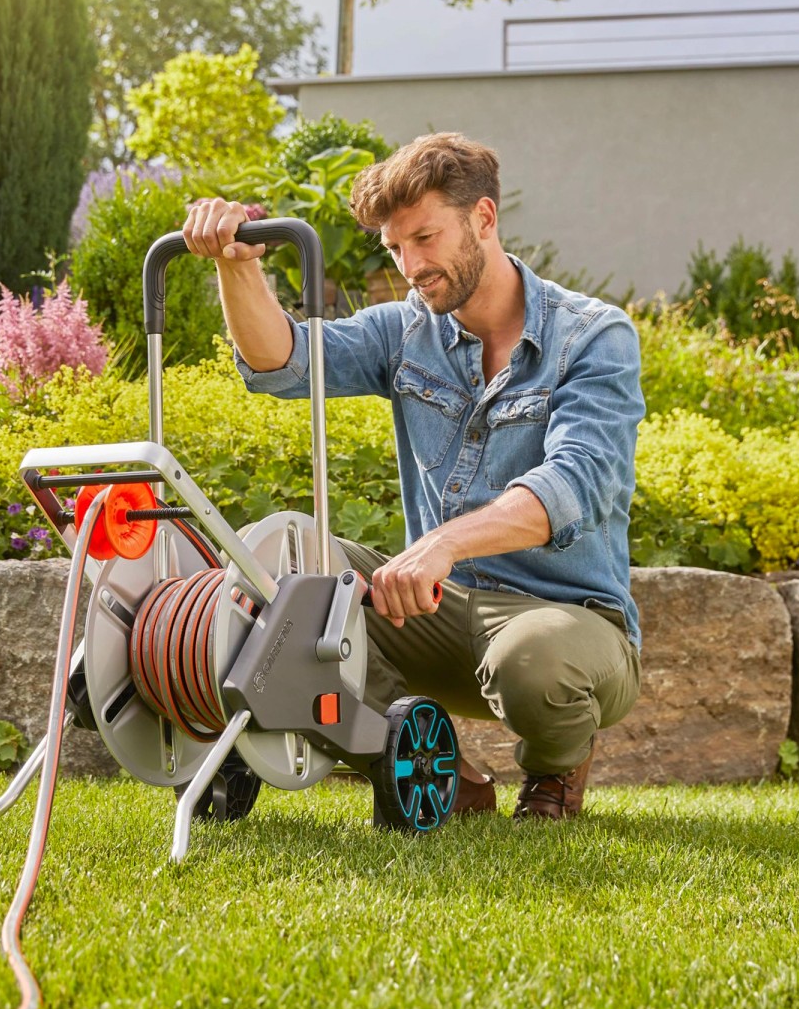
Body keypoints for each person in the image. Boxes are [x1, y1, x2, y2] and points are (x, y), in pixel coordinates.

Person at [183, 132, 644, 821]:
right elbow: (284, 361)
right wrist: (236, 266)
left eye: (425, 238)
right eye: (395, 248)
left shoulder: (593, 336)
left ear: (483, 218)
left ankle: (556, 769)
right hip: (434, 613)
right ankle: (436, 769)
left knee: (532, 664)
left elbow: (575, 484)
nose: (411, 267)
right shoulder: (405, 332)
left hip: (567, 621)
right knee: (279, 574)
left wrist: (442, 544)